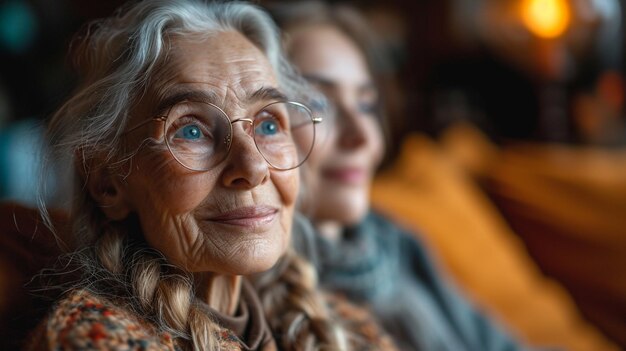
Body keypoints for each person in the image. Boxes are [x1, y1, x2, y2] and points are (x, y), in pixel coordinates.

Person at [26, 1, 396, 350]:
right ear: (107, 183)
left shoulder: (345, 328)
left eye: (268, 124)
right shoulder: (95, 338)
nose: (253, 168)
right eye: (190, 130)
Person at [268, 2, 528, 350]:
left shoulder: (394, 242)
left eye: (366, 104)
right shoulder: (263, 299)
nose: (362, 136)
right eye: (318, 105)